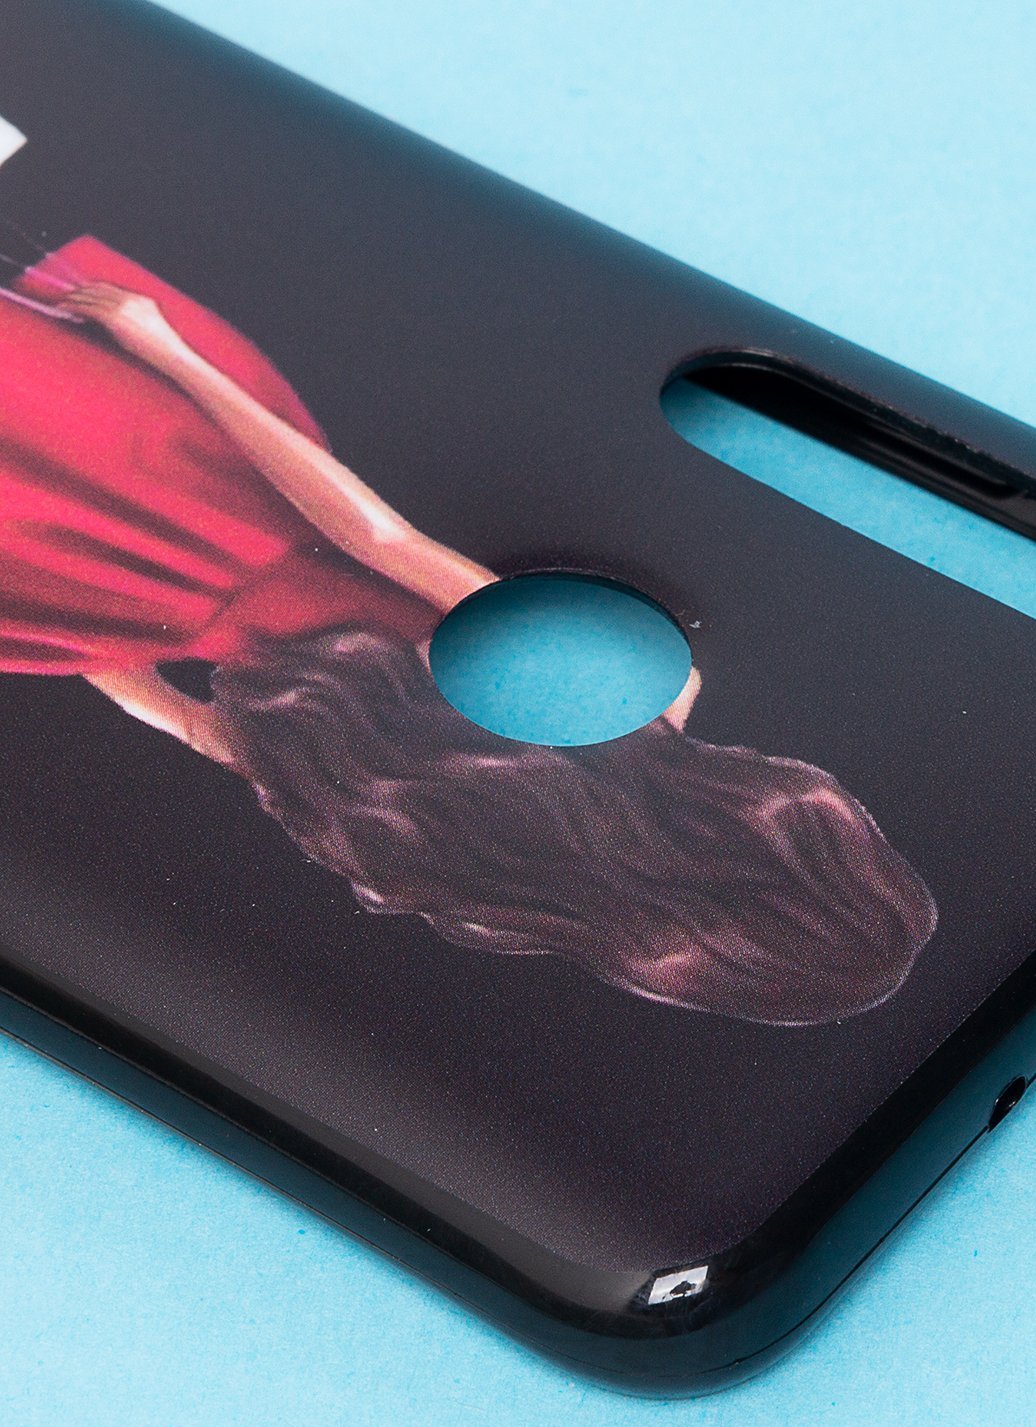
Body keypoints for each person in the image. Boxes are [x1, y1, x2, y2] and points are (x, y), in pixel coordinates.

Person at [0, 237, 936, 1023]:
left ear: (785, 829)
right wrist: (81, 609)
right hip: (101, 578)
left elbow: (376, 538)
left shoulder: (633, 690)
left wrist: (166, 352)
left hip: (208, 478)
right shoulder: (419, 833)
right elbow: (177, 716)